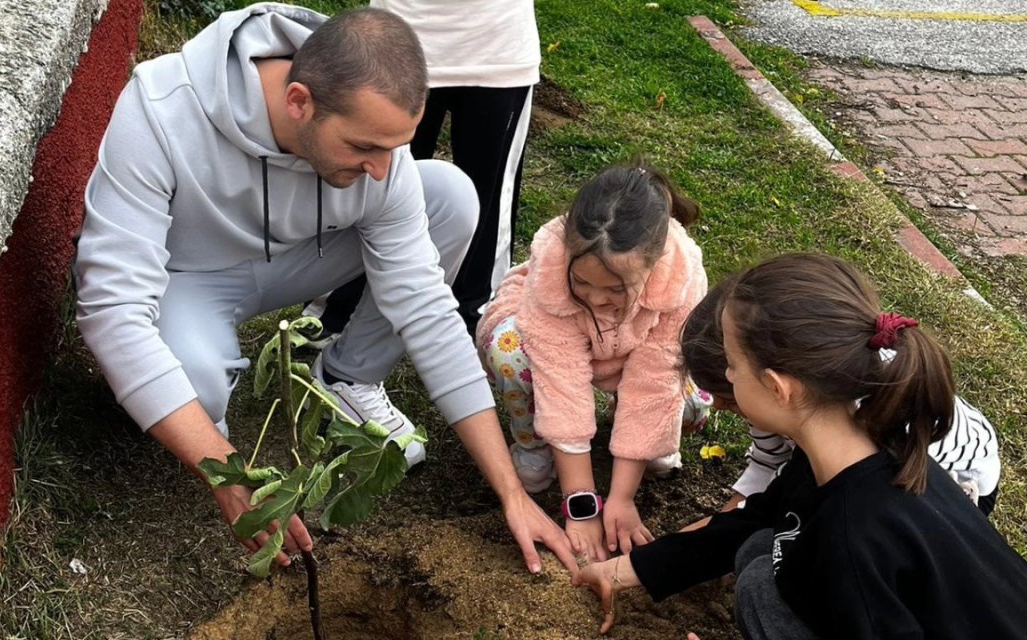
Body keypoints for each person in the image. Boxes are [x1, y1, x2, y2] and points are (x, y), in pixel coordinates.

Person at [75, 4, 575, 576]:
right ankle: (192, 384)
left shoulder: (375, 150)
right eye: (364, 147)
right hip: (186, 278)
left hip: (300, 258)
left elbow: (430, 313)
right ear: (299, 103)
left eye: (394, 147)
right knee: (192, 381)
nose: (383, 170)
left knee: (451, 196)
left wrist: (513, 494)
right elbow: (111, 307)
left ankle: (349, 375)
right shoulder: (162, 108)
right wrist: (230, 475)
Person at [575, 254, 1027, 638]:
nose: (724, 377)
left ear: (777, 387)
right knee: (759, 549)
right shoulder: (862, 446)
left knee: (763, 584)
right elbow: (755, 517)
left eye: (730, 365)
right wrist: (627, 570)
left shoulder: (851, 541)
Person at [476, 162, 712, 566]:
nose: (596, 299)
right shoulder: (550, 272)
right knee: (511, 352)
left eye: (615, 289)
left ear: (654, 266)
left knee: (689, 410)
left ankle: (629, 435)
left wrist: (621, 499)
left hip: (632, 354)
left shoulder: (681, 282)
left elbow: (653, 383)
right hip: (545, 346)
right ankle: (535, 442)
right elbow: (562, 379)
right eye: (582, 283)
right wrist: (582, 503)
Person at [677, 280, 1002, 533]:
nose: (717, 406)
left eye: (728, 395)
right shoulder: (773, 387)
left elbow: (867, 507)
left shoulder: (866, 423)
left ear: (777, 386)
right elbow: (768, 462)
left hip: (946, 484)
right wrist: (723, 522)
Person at [313, 0, 541, 336]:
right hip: (397, 41)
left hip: (498, 48)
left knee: (486, 204)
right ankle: (332, 315)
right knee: (370, 189)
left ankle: (473, 320)